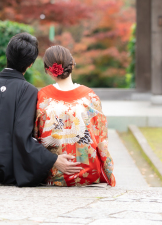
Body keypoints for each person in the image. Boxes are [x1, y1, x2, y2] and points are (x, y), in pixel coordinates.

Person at [0, 32, 81, 187]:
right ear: (30, 64)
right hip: (10, 172)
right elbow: (22, 136)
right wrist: (54, 160)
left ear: (7, 55)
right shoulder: (28, 91)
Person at [35, 45, 115, 186]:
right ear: (72, 65)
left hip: (55, 174)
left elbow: (35, 136)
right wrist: (108, 172)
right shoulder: (90, 97)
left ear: (48, 70)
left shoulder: (42, 98)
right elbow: (101, 139)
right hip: (88, 173)